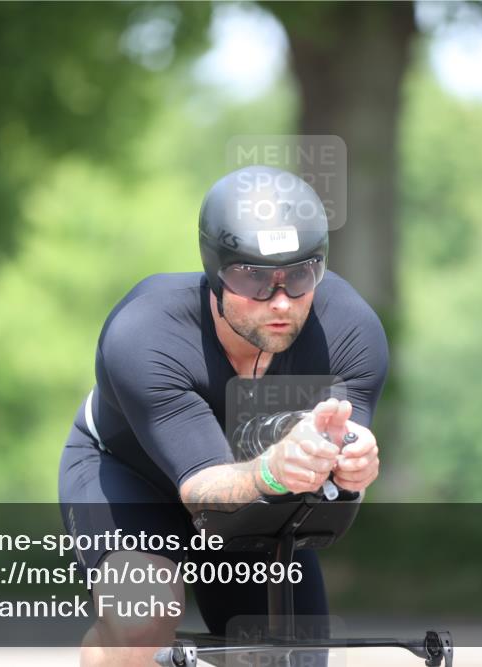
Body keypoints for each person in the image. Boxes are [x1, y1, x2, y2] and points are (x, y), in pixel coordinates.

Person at [58, 165, 389, 667]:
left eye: (300, 275)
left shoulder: (350, 331)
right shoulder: (144, 332)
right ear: (215, 273)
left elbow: (339, 483)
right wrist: (272, 470)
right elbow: (202, 488)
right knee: (141, 618)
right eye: (253, 278)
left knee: (287, 656)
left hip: (262, 498)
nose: (280, 302)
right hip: (133, 479)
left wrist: (353, 468)